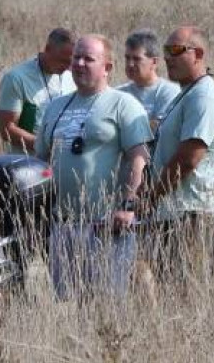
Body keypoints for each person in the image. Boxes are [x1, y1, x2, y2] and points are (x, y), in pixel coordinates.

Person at [34, 34, 151, 301]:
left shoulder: (123, 104)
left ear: (107, 67)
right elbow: (40, 161)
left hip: (106, 226)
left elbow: (139, 157)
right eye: (76, 57)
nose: (79, 64)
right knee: (68, 305)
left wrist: (128, 206)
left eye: (89, 59)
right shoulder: (55, 107)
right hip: (63, 225)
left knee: (107, 305)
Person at [141, 26, 214, 284]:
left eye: (177, 50)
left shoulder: (205, 95)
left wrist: (152, 195)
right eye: (166, 50)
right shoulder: (186, 94)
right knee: (169, 292)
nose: (168, 57)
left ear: (198, 54)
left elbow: (189, 157)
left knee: (186, 294)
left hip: (192, 215)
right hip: (173, 213)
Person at [0, 27, 76, 154]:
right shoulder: (16, 78)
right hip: (27, 161)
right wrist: (46, 146)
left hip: (64, 161)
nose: (67, 67)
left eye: (70, 62)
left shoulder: (73, 77)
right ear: (48, 49)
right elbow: (7, 129)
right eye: (62, 61)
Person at [116, 29, 180, 136]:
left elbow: (160, 129)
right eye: (127, 58)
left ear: (154, 62)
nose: (130, 64)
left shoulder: (170, 92)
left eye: (137, 59)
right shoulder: (118, 93)